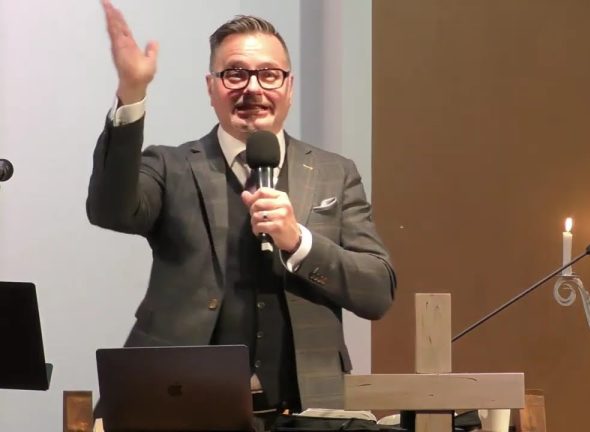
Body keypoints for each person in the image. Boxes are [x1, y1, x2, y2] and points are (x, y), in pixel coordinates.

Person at [87, 0, 396, 426]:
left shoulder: (334, 173)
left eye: (269, 74)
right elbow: (110, 210)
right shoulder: (171, 166)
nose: (253, 88)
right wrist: (131, 94)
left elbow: (377, 291)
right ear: (211, 87)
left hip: (306, 409)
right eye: (235, 74)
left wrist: (299, 242)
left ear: (289, 86)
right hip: (182, 403)